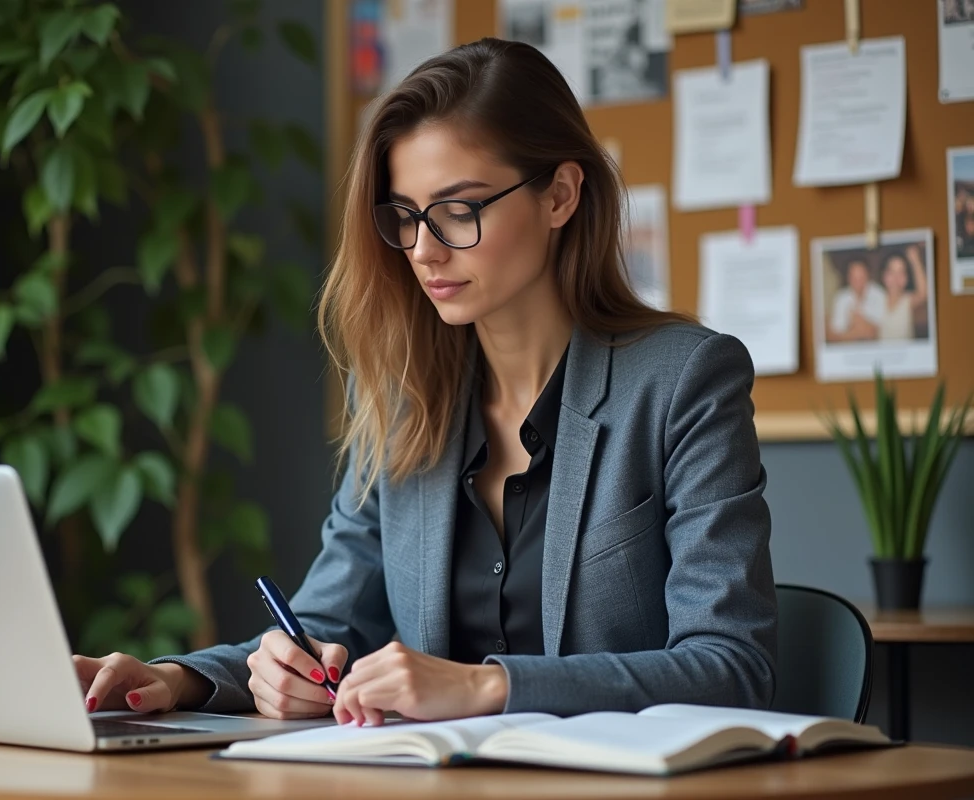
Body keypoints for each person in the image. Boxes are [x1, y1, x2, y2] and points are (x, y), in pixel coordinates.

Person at [73, 37, 777, 727]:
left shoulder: (684, 379)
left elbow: (731, 667)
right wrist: (183, 679)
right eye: (405, 217)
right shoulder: (400, 397)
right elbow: (324, 623)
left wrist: (485, 687)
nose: (424, 249)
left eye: (459, 210)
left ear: (560, 195)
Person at [827, 257, 886, 343]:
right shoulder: (841, 297)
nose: (858, 281)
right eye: (854, 277)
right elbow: (834, 335)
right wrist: (860, 328)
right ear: (848, 278)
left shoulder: (879, 294)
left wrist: (852, 328)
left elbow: (875, 333)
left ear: (868, 275)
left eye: (861, 277)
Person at [878, 246, 929, 341]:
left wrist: (915, 260)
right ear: (884, 276)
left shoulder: (907, 300)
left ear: (907, 278)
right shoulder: (877, 299)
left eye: (901, 272)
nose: (896, 278)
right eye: (892, 272)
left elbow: (923, 293)